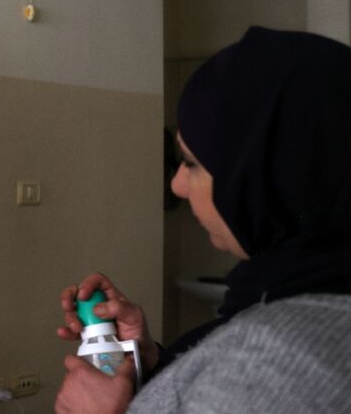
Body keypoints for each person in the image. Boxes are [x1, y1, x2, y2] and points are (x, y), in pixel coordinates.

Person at [54, 27, 351, 413]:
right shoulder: (287, 300)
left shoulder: (280, 361)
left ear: (271, 177)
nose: (177, 184)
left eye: (191, 163)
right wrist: (149, 360)